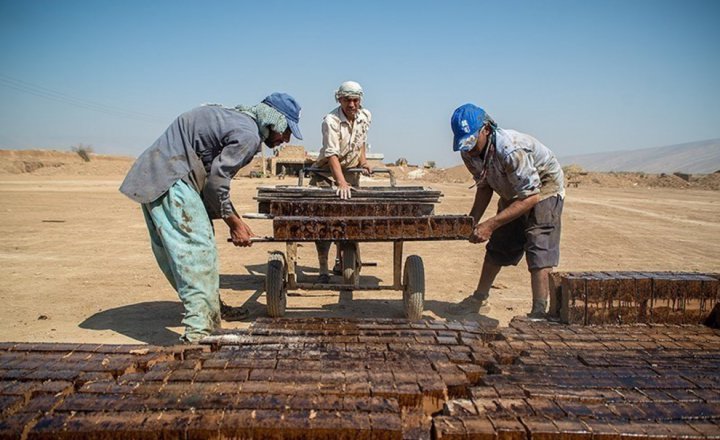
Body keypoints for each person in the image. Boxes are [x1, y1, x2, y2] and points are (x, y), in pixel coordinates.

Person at [119, 93, 302, 342]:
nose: (286, 139)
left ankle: (210, 311)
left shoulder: (233, 118)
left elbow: (211, 183)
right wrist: (235, 223)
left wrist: (231, 217)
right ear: (274, 122)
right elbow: (217, 184)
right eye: (286, 131)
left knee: (181, 255)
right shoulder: (248, 134)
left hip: (154, 176)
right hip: (174, 180)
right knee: (197, 253)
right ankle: (199, 333)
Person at [448, 103, 564, 319]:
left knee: (538, 245)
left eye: (473, 142)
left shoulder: (511, 150)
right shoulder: (468, 153)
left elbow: (531, 196)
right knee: (500, 243)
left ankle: (539, 311)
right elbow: (484, 186)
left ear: (486, 129)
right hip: (514, 189)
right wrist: (472, 221)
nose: (469, 148)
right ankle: (479, 299)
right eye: (465, 144)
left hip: (543, 189)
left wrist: (491, 224)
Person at [310, 81, 373, 283]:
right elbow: (332, 155)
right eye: (347, 100)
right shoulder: (331, 120)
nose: (352, 105)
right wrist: (341, 182)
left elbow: (361, 141)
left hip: (351, 171)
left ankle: (342, 260)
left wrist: (363, 161)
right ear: (340, 99)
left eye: (355, 100)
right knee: (324, 222)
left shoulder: (365, 116)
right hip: (327, 174)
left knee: (349, 219)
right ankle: (322, 268)